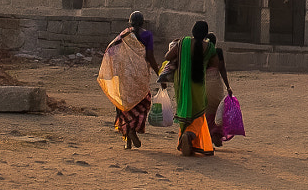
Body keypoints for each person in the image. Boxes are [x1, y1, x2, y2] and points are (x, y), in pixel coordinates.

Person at [163, 20, 229, 157]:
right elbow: (215, 64)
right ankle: (189, 135)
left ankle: (185, 139)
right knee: (198, 114)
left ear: (192, 31)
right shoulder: (209, 47)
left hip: (181, 84)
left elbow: (167, 56)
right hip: (199, 85)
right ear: (205, 34)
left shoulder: (183, 42)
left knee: (184, 111)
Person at [97, 13, 156, 150]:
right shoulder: (147, 35)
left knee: (124, 106)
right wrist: (159, 72)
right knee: (142, 102)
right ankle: (132, 130)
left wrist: (112, 71)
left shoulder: (123, 36)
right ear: (143, 22)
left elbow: (110, 51)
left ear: (129, 23)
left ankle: (127, 139)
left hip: (125, 75)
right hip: (140, 75)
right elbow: (150, 57)